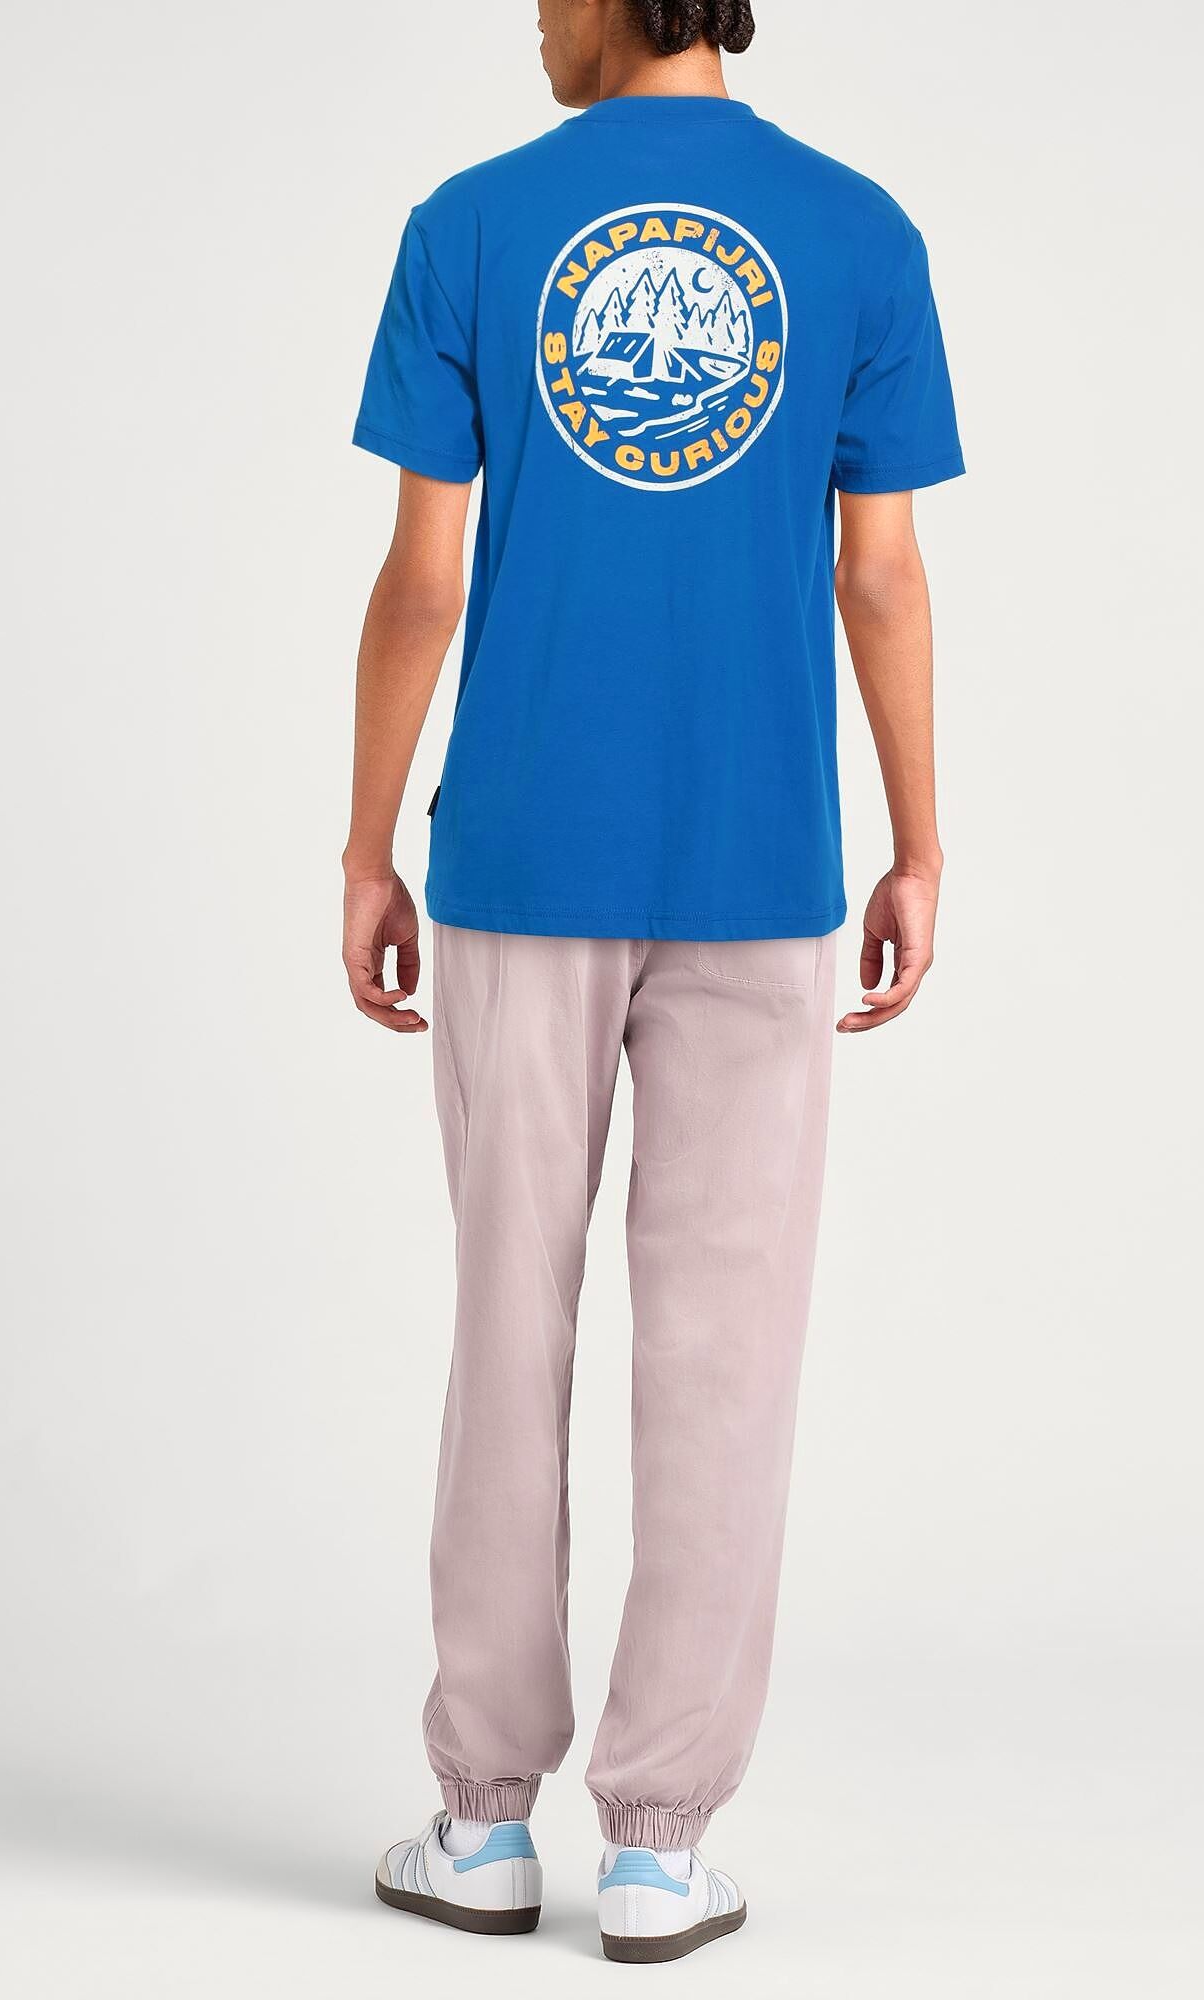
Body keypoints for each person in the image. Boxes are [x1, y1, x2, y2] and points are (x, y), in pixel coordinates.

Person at [348, 0, 962, 1965]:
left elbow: (426, 576)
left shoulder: (471, 224)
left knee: (504, 1323)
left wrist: (363, 843)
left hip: (523, 859)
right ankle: (663, 1848)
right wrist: (920, 842)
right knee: (725, 1350)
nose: (530, 13)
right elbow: (881, 573)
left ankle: (478, 1820)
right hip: (763, 866)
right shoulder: (857, 232)